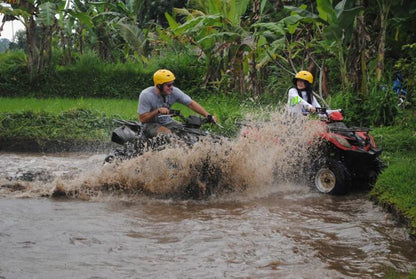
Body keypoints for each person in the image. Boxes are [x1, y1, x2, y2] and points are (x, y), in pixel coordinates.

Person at [138, 69, 217, 137]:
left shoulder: (174, 91)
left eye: (172, 84)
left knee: (189, 132)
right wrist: (157, 111)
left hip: (168, 122)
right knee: (168, 134)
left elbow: (190, 103)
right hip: (150, 125)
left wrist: (208, 115)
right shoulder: (146, 95)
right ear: (159, 86)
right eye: (168, 85)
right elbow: (142, 118)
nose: (171, 87)